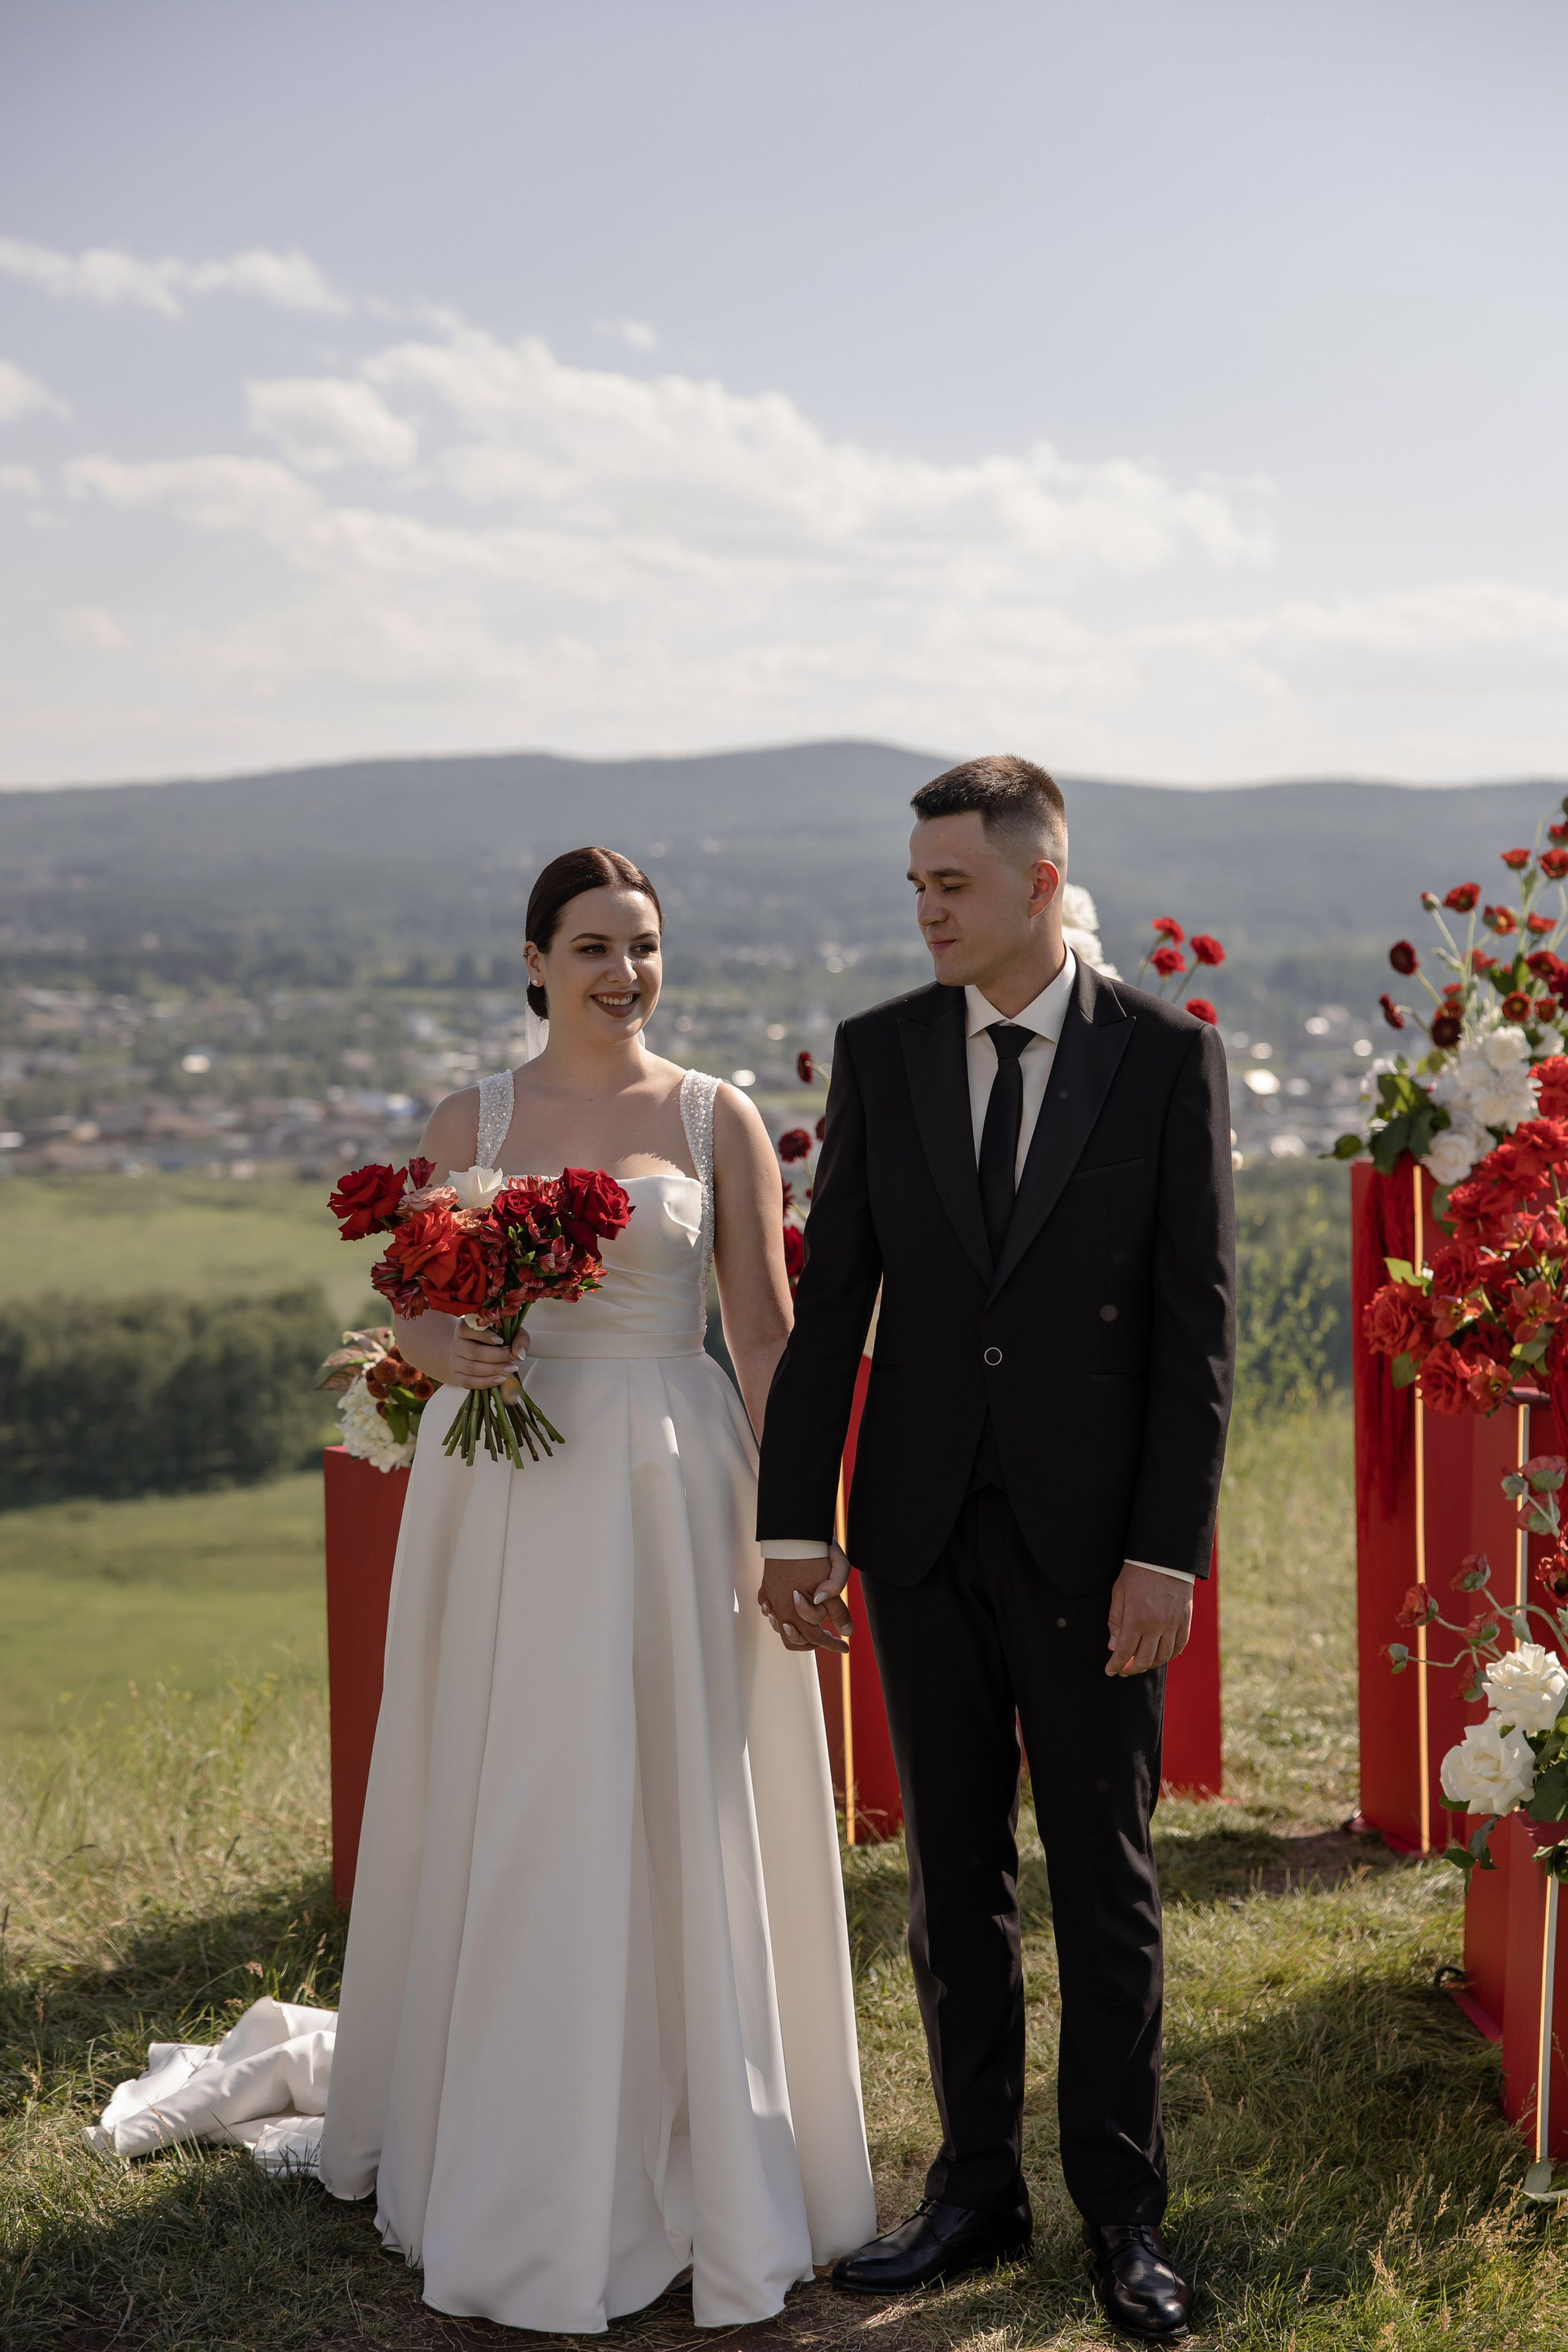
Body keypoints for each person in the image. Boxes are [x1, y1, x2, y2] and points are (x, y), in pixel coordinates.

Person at [319, 845, 876, 2333]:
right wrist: (447, 1355)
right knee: (518, 1790)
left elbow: (762, 1336)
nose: (622, 972)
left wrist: (796, 1529)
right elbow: (413, 1325)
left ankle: (702, 2154)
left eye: (641, 945)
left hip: (670, 1483)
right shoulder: (468, 1119)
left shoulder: (717, 1115)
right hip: (501, 1494)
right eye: (590, 946)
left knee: (673, 1791)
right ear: (533, 960)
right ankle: (503, 2155)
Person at [755, 757, 1234, 2342]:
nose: (925, 911)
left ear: (1040, 883)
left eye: (949, 885)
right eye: (915, 887)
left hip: (1098, 1549)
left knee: (1103, 1880)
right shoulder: (884, 1053)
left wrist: (1167, 1554)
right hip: (914, 1528)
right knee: (949, 1877)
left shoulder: (1164, 1060)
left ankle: (1123, 2219)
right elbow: (832, 1311)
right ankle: (973, 2191)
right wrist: (792, 1522)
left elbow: (1195, 1330)